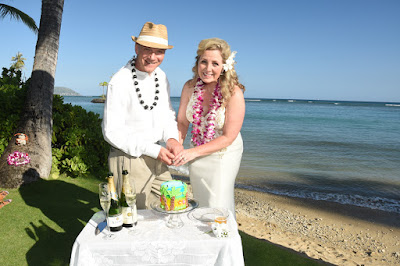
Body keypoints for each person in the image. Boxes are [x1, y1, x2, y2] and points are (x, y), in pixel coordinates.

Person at [102, 22, 182, 209]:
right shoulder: (119, 81)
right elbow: (111, 132)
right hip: (129, 158)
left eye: (159, 52)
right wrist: (156, 151)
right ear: (136, 47)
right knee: (133, 219)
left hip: (157, 157)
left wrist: (171, 139)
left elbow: (167, 113)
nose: (153, 57)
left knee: (173, 205)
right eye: (147, 50)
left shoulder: (161, 76)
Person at [173, 38, 245, 217]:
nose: (208, 68)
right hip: (197, 150)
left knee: (217, 203)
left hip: (224, 153)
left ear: (224, 67)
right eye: (204, 61)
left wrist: (193, 153)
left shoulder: (233, 92)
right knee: (201, 203)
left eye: (215, 63)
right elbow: (182, 122)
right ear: (197, 63)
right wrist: (177, 145)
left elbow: (228, 137)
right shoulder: (189, 87)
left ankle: (223, 240)